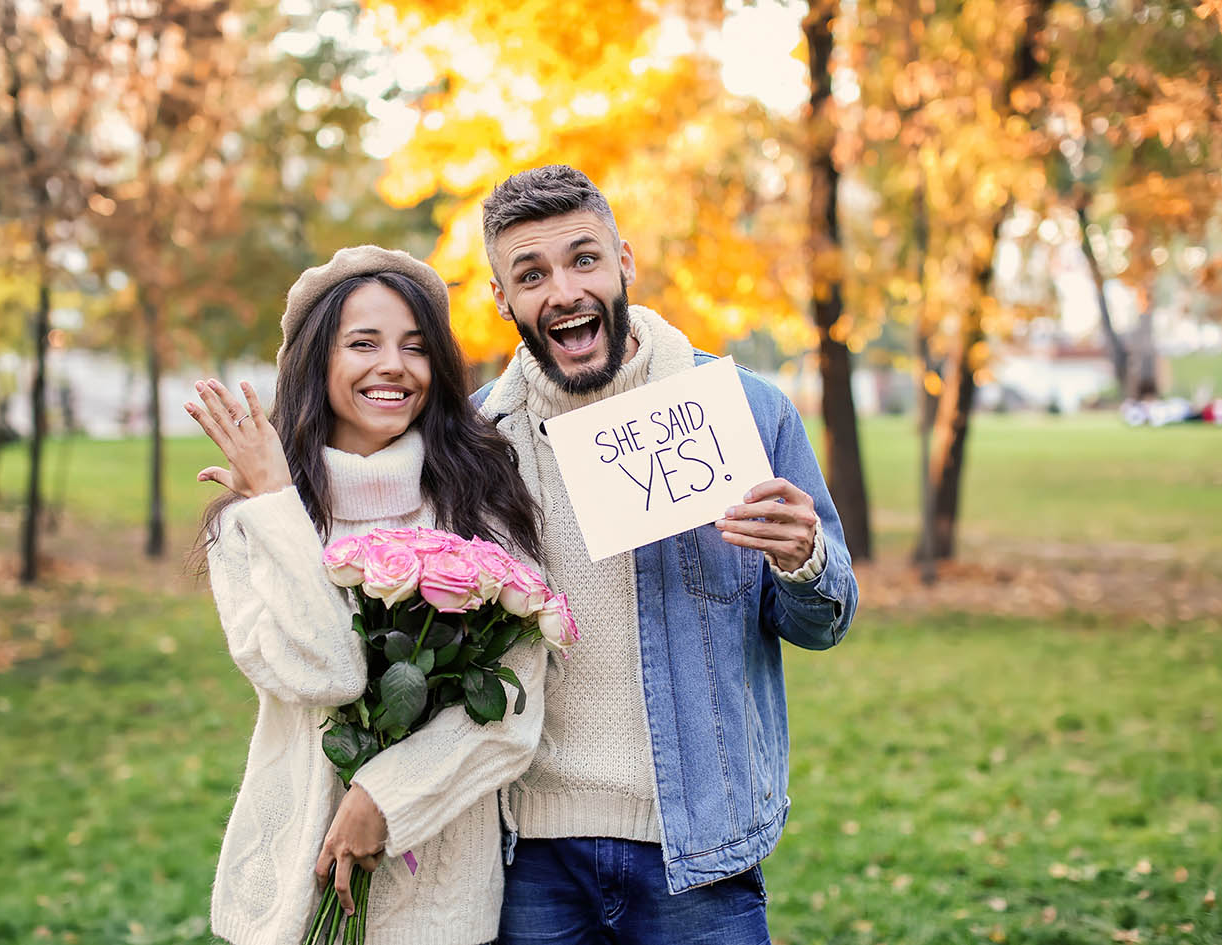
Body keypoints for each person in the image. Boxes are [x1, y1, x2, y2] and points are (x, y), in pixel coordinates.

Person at [470, 165, 860, 945]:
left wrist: (803, 558)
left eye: (583, 259)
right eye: (531, 274)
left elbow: (825, 622)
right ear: (502, 300)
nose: (563, 291)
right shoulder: (476, 441)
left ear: (624, 262)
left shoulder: (746, 411)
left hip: (696, 847)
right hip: (530, 854)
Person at [186, 246, 547, 945]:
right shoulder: (251, 523)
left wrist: (385, 797)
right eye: (363, 343)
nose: (393, 365)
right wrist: (276, 504)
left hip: (440, 903)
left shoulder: (481, 508)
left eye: (415, 347)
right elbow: (327, 674)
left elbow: (512, 714)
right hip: (298, 897)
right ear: (316, 362)